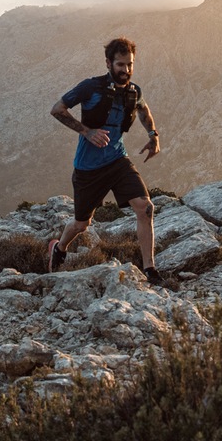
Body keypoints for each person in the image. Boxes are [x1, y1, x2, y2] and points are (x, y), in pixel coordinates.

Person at [48, 37, 162, 284]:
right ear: (109, 63)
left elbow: (144, 111)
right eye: (121, 65)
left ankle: (150, 270)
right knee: (81, 225)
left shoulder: (134, 91)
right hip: (88, 167)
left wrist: (153, 135)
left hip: (118, 160)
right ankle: (59, 248)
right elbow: (57, 109)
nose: (126, 70)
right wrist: (86, 131)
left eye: (130, 64)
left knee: (145, 207)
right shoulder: (91, 87)